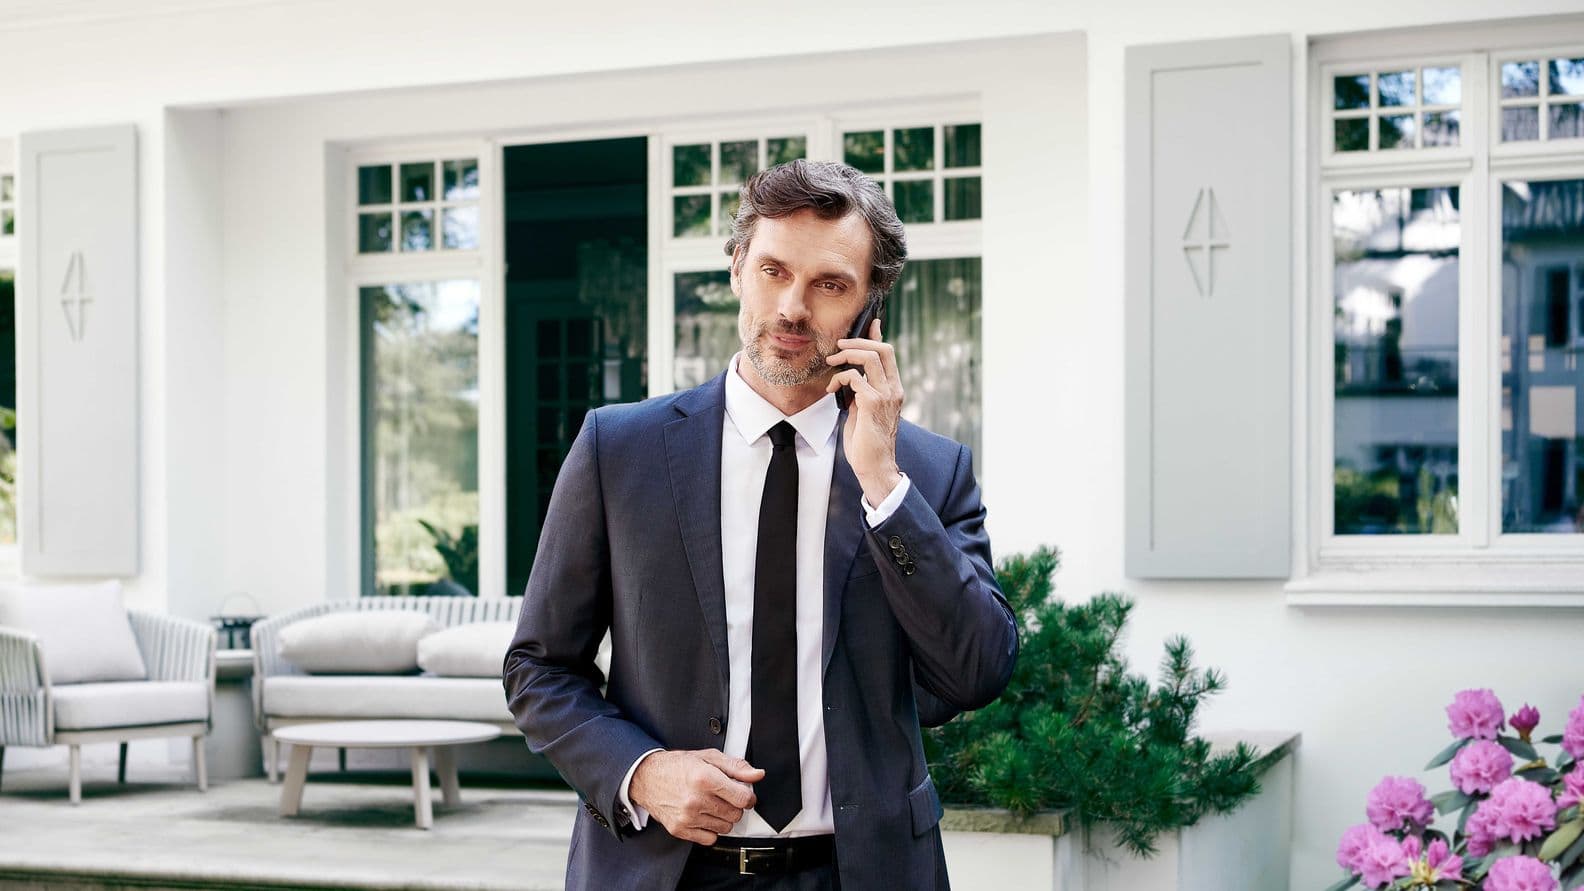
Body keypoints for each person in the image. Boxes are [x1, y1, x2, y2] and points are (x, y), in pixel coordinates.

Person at [503, 159, 1017, 890]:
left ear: (871, 305)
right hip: (665, 871)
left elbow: (976, 671)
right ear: (738, 268)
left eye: (830, 284)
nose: (792, 308)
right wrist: (641, 772)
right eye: (774, 271)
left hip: (861, 873)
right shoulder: (618, 450)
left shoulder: (927, 473)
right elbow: (539, 667)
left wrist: (882, 483)